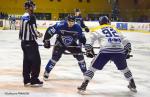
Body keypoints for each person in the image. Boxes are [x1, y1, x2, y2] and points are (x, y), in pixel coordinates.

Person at [77, 16, 137, 93]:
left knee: (92, 68)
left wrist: (88, 50)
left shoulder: (97, 29)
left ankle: (84, 85)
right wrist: (128, 49)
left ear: (100, 23)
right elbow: (124, 39)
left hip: (105, 51)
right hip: (119, 51)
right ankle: (132, 84)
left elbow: (90, 40)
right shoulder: (114, 28)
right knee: (124, 69)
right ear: (108, 21)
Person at [43, 15, 87, 80]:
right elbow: (49, 31)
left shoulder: (78, 27)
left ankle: (85, 72)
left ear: (75, 21)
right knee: (54, 58)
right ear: (67, 20)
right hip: (60, 43)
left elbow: (82, 38)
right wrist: (46, 40)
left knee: (80, 56)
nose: (71, 23)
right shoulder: (60, 25)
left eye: (72, 22)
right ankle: (47, 72)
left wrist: (86, 46)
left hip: (72, 44)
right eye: (69, 21)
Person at [19, 0, 43, 87]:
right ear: (29, 7)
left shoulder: (23, 16)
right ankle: (34, 80)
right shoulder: (31, 16)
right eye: (32, 6)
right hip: (30, 43)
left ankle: (26, 80)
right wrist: (39, 34)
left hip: (23, 43)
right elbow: (33, 31)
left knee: (27, 62)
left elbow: (23, 30)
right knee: (36, 61)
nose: (34, 7)